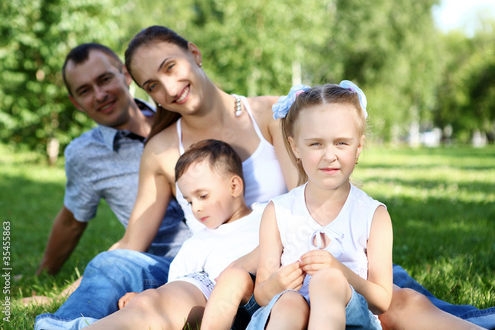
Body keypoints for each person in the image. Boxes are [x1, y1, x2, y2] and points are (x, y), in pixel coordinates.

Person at [35, 26, 495, 330]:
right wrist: (81, 278)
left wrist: (274, 261)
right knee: (112, 267)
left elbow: (311, 197)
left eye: (171, 68)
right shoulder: (161, 147)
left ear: (194, 54)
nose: (168, 88)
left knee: (388, 282)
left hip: (287, 250)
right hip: (211, 265)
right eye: (152, 85)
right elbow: (135, 240)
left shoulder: (268, 113)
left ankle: (473, 320)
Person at [36, 43, 190, 278]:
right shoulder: (85, 154)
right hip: (170, 267)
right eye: (85, 91)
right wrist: (44, 273)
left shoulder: (178, 113)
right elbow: (71, 221)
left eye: (105, 79)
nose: (99, 95)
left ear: (126, 75)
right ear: (76, 102)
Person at [248, 82, 391, 329]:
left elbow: (382, 300)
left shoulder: (372, 215)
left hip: (349, 320)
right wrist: (277, 284)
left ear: (359, 147)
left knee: (328, 281)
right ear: (295, 147)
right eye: (315, 144)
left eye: (341, 143)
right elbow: (261, 294)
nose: (329, 155)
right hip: (288, 316)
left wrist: (339, 271)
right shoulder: (278, 212)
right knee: (289, 301)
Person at [88, 139, 262, 329]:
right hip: (217, 304)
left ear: (234, 187)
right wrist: (147, 298)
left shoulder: (269, 214)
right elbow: (174, 286)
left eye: (203, 196)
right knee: (148, 302)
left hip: (267, 294)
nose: (196, 208)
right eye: (189, 201)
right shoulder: (198, 242)